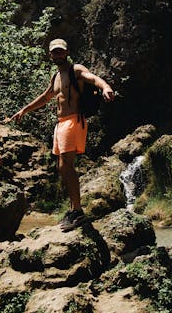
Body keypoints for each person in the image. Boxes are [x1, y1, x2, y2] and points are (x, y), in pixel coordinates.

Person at [7, 38, 115, 231]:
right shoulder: (56, 76)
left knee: (67, 164)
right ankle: (74, 209)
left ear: (66, 52)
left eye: (60, 51)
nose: (57, 55)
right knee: (62, 167)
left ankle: (78, 211)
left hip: (74, 121)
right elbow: (46, 96)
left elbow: (93, 78)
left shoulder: (76, 69)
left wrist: (105, 87)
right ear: (50, 54)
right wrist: (25, 109)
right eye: (54, 52)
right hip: (60, 124)